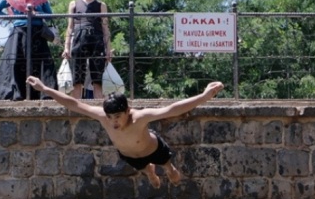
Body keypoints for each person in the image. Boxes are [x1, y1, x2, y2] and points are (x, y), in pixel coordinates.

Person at [26, 75, 223, 188]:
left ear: (128, 112)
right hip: (129, 155)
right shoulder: (103, 116)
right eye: (110, 117)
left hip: (154, 149)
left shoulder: (140, 117)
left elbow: (172, 109)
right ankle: (150, 172)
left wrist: (204, 96)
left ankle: (167, 169)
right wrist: (45, 89)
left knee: (171, 172)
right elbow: (74, 104)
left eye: (118, 116)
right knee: (147, 171)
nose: (113, 122)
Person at [0, 0, 59, 101]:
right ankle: (17, 94)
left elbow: (49, 16)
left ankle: (45, 94)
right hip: (19, 34)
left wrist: (37, 14)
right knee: (16, 63)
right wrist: (11, 18)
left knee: (42, 64)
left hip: (38, 34)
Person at [62, 0, 112, 99]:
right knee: (77, 80)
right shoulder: (74, 4)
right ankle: (76, 112)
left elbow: (105, 28)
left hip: (97, 42)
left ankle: (99, 111)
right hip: (78, 40)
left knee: (98, 80)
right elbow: (70, 27)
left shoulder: (101, 5)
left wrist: (108, 49)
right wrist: (66, 47)